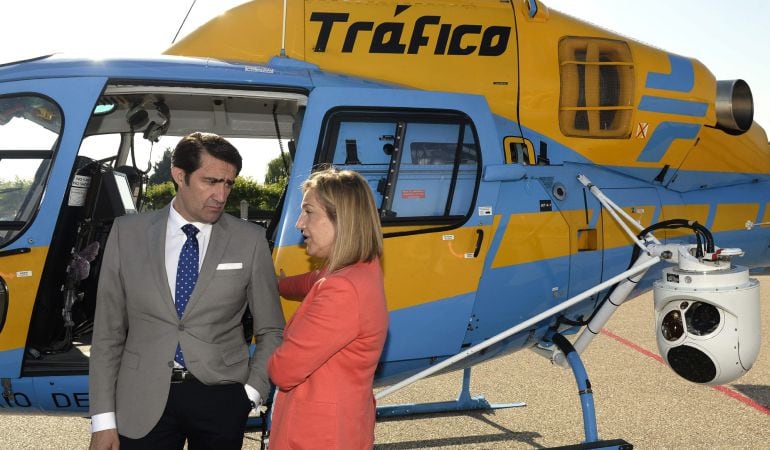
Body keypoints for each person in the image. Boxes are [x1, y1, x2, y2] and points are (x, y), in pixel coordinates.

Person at [88, 132, 285, 450]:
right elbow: (107, 335)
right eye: (211, 181)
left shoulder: (250, 240)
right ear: (180, 176)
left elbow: (272, 328)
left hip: (221, 399)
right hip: (141, 397)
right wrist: (103, 420)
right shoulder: (128, 234)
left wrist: (251, 392)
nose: (221, 196)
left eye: (229, 183)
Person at [267, 167, 389, 449]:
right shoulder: (358, 271)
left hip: (317, 436)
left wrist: (269, 343)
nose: (300, 223)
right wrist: (280, 284)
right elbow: (311, 281)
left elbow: (283, 371)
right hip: (343, 427)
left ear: (341, 220)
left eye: (308, 212)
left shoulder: (341, 290)